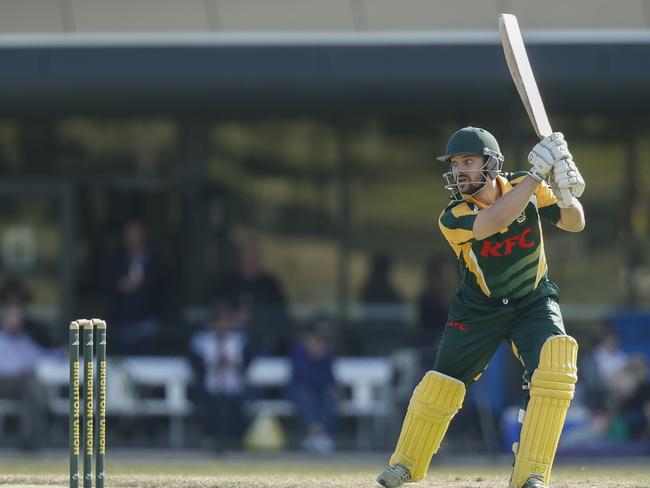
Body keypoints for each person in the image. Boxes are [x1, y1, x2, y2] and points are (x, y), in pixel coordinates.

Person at [377, 127, 586, 488]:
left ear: (491, 164)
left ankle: (532, 473)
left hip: (533, 300)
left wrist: (567, 192)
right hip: (479, 309)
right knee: (443, 381)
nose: (459, 171)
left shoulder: (525, 185)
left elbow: (574, 223)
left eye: (468, 162)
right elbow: (495, 221)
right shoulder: (453, 216)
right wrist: (537, 175)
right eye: (455, 164)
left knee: (556, 366)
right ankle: (406, 465)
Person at [188, 299, 248, 451]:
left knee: (238, 403)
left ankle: (235, 440)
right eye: (220, 321)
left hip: (233, 383)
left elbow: (246, 362)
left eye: (227, 321)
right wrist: (212, 365)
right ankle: (210, 439)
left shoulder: (240, 340)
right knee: (210, 404)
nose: (223, 325)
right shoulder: (200, 341)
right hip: (209, 384)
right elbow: (195, 365)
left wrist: (234, 365)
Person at [215, 240, 290, 357]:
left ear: (260, 258)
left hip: (263, 343)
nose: (250, 260)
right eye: (247, 256)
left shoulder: (270, 284)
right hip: (232, 342)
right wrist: (232, 316)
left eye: (253, 256)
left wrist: (258, 320)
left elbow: (280, 314)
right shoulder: (228, 283)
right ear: (240, 257)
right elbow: (217, 311)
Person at [104, 220, 167, 355]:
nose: (134, 240)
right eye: (131, 236)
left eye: (137, 236)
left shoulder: (155, 261)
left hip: (147, 324)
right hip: (121, 324)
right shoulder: (116, 261)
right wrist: (119, 285)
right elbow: (105, 287)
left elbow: (163, 289)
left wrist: (143, 284)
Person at [0, 297, 49, 449]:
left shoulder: (23, 339)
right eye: (12, 318)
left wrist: (62, 353)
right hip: (3, 381)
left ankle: (30, 438)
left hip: (22, 383)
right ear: (4, 320)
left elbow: (41, 354)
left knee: (33, 391)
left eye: (18, 318)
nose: (15, 321)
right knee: (32, 384)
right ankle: (33, 437)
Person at [287, 313, 337, 454]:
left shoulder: (327, 352)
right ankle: (315, 435)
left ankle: (319, 435)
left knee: (329, 397)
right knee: (306, 396)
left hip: (320, 389)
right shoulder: (299, 349)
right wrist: (313, 357)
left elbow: (329, 377)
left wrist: (320, 357)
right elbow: (300, 375)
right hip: (300, 389)